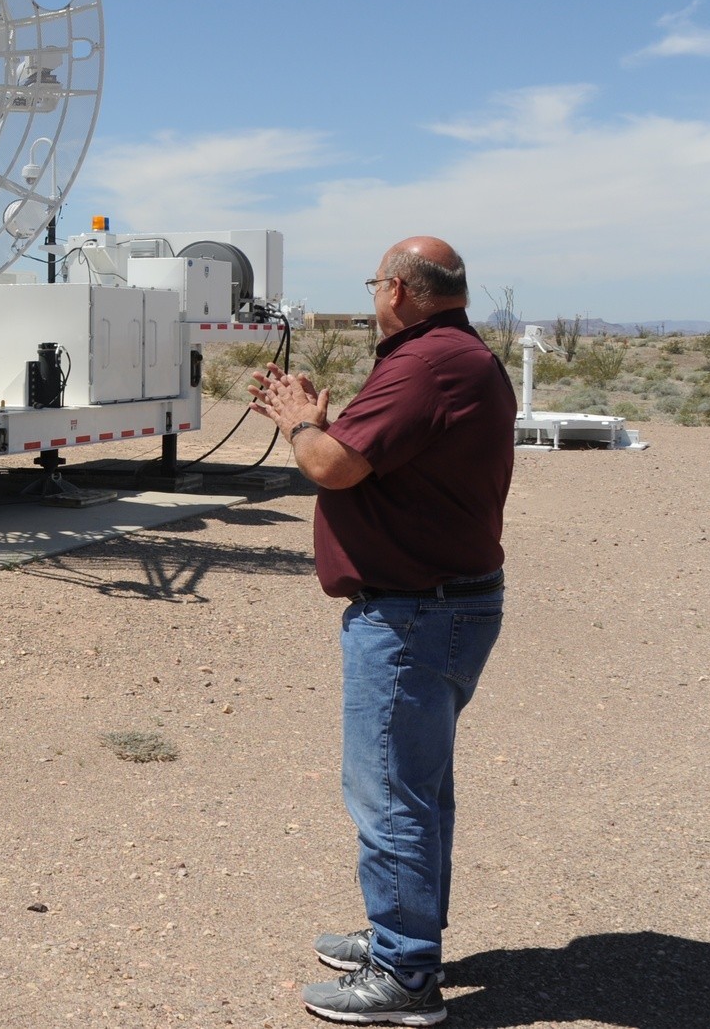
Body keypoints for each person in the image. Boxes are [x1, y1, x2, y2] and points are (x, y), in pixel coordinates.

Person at [248, 236, 514, 1026]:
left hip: (414, 615)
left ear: (397, 289)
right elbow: (367, 454)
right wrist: (323, 426)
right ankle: (404, 937)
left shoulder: (424, 364)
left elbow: (335, 468)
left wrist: (301, 425)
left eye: (374, 284)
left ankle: (404, 977)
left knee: (393, 797)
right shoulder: (455, 357)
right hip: (444, 605)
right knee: (418, 790)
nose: (372, 297)